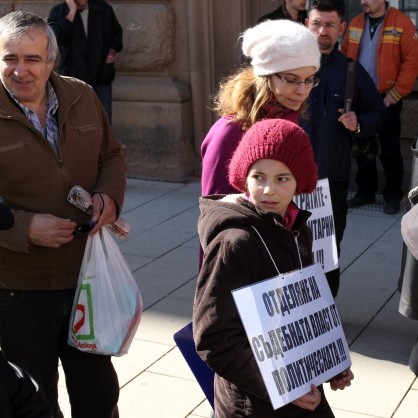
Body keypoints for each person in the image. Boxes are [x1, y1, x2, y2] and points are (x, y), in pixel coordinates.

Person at [0, 11, 126, 418]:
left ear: (51, 60)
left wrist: (107, 197)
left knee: (99, 395)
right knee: (35, 402)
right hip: (18, 289)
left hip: (85, 279)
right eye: (9, 58)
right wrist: (23, 228)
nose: (21, 70)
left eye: (32, 59)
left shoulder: (81, 95)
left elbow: (112, 155)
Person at [193, 118, 354, 418]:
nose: (269, 189)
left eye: (283, 178)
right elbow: (214, 338)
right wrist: (280, 387)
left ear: (299, 182)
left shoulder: (296, 228)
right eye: (258, 176)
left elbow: (306, 308)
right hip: (253, 401)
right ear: (243, 178)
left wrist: (330, 361)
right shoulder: (234, 243)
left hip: (298, 381)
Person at [302, 0, 386, 297]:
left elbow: (378, 113)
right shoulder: (289, 67)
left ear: (342, 29)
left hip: (330, 179)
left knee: (326, 248)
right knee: (287, 246)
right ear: (306, 25)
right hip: (288, 179)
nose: (322, 31)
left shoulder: (351, 72)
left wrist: (358, 122)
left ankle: (324, 310)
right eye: (316, 23)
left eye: (329, 25)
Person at [201, 19, 320, 197]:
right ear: (266, 77)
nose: (302, 91)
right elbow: (215, 209)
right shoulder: (229, 131)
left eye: (309, 79)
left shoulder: (290, 115)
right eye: (291, 79)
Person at [341, 0, 418, 214]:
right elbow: (345, 56)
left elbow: (412, 62)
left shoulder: (401, 23)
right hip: (361, 98)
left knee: (390, 148)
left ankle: (393, 196)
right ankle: (365, 191)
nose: (362, 1)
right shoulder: (356, 23)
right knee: (362, 148)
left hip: (388, 98)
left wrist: (395, 95)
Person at [48, 0, 123, 123]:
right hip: (72, 77)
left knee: (102, 122)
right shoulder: (59, 12)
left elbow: (116, 35)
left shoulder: (103, 9)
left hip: (101, 75)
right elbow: (54, 39)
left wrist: (110, 56)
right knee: (73, 122)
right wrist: (71, 12)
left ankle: (101, 143)